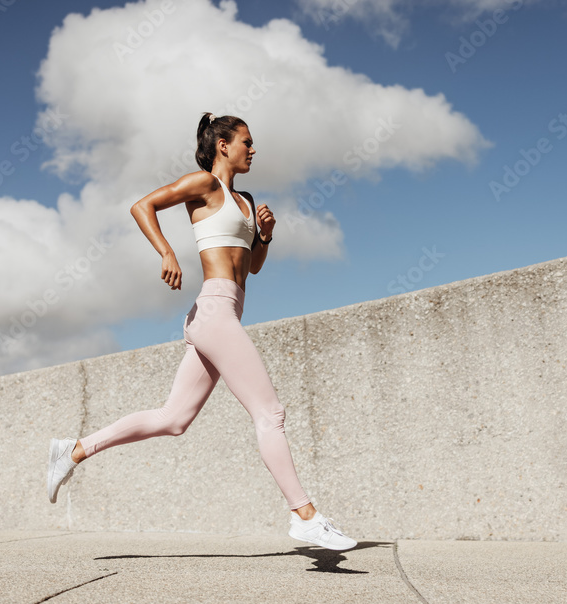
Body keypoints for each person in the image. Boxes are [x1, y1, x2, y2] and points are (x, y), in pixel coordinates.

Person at [46, 113, 356, 550]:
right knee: (270, 414)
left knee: (173, 419)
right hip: (213, 312)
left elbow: (251, 268)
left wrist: (264, 236)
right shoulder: (205, 186)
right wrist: (167, 252)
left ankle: (73, 450)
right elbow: (142, 205)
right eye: (246, 141)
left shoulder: (247, 201)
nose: (253, 149)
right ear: (222, 145)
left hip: (224, 310)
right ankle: (304, 514)